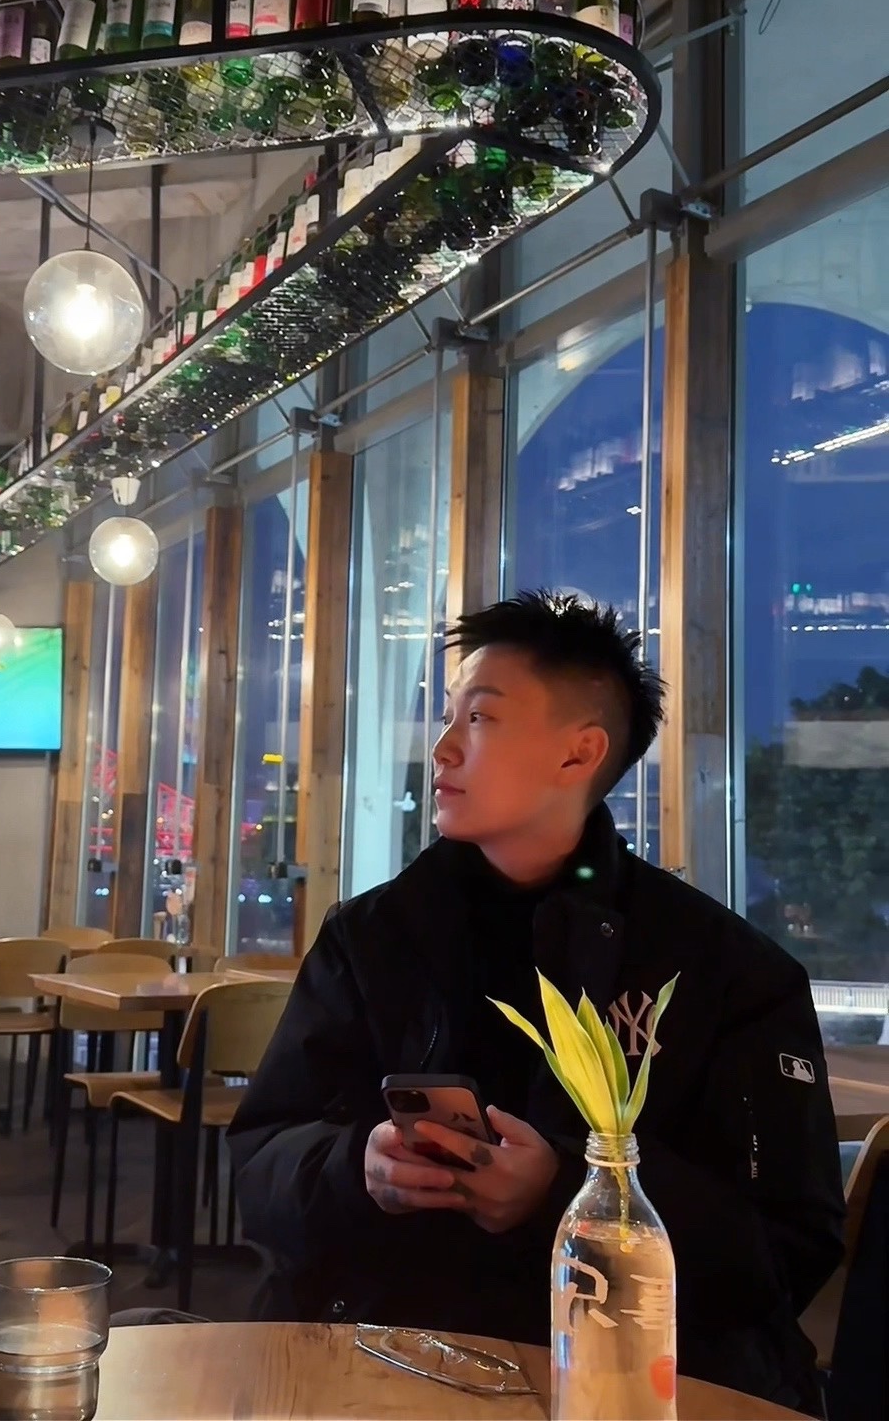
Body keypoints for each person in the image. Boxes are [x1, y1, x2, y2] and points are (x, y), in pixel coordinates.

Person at [227, 591, 844, 1414]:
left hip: (617, 1389)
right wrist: (357, 1169)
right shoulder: (369, 937)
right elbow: (260, 1163)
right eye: (448, 717)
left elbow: (788, 1251)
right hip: (374, 1370)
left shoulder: (726, 970)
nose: (442, 748)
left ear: (578, 753)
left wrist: (565, 1195)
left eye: (479, 718)